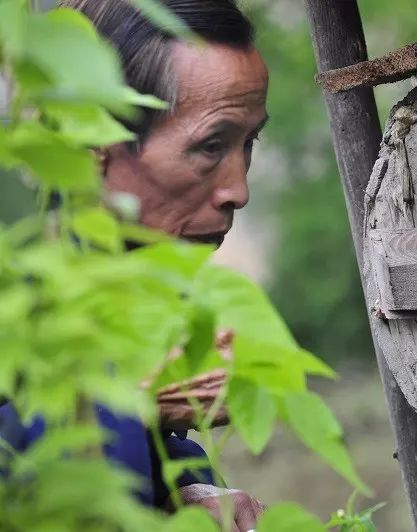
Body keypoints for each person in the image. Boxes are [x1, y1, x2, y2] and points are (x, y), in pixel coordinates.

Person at [0, 0, 268, 529]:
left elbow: (152, 446)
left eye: (248, 142)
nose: (239, 190)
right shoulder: (18, 257)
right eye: (212, 144)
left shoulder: (127, 273)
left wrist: (186, 487)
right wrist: (132, 402)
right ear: (98, 146)